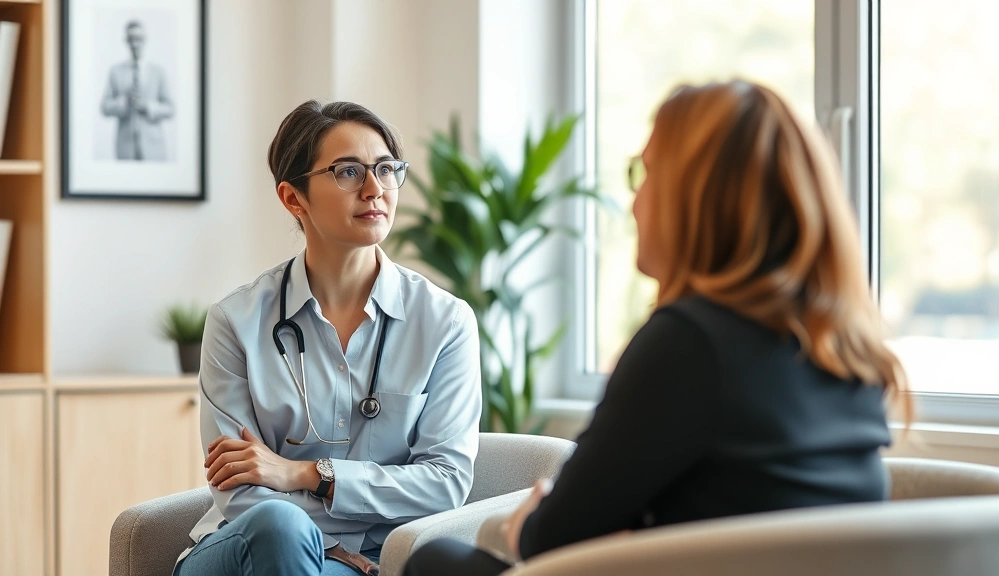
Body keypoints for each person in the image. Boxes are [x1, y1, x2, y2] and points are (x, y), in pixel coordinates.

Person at [403, 80, 910, 576]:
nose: (635, 202)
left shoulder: (690, 342)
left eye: (644, 175)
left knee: (433, 558)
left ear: (696, 199)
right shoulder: (845, 346)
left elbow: (552, 539)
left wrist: (531, 519)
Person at [174, 101, 482, 576]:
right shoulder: (236, 321)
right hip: (242, 552)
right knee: (279, 526)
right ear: (293, 198)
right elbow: (238, 488)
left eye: (385, 169)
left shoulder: (445, 323)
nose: (375, 189)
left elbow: (444, 484)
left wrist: (307, 473)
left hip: (376, 559)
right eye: (348, 172)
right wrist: (329, 547)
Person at [99, 20, 174, 161]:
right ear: (126, 41)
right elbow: (104, 107)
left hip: (154, 148)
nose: (135, 44)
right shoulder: (115, 71)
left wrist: (149, 106)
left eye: (138, 39)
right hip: (125, 148)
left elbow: (170, 109)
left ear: (144, 40)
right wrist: (124, 101)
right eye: (131, 39)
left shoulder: (158, 72)